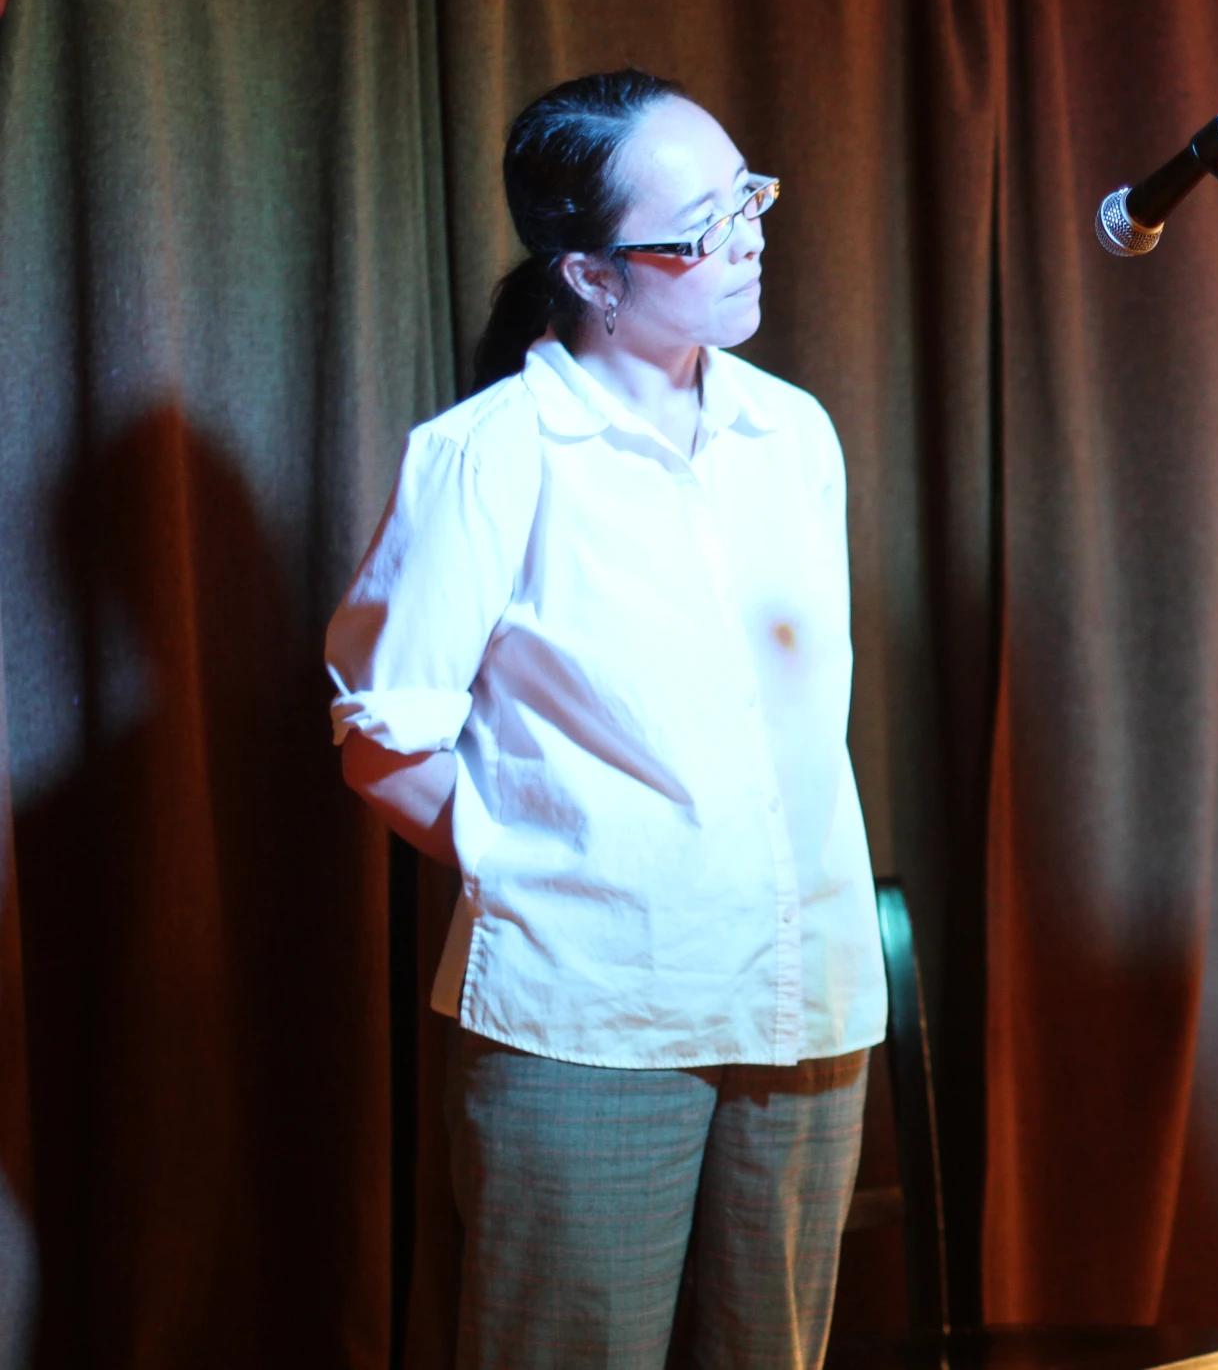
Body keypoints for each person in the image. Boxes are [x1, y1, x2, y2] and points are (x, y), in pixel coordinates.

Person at [326, 69, 883, 1370]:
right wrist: (553, 872)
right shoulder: (494, 451)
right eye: (701, 224)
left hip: (809, 1003)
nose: (746, 235)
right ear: (590, 273)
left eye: (749, 195)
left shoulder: (789, 433)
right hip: (592, 1023)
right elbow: (382, 742)